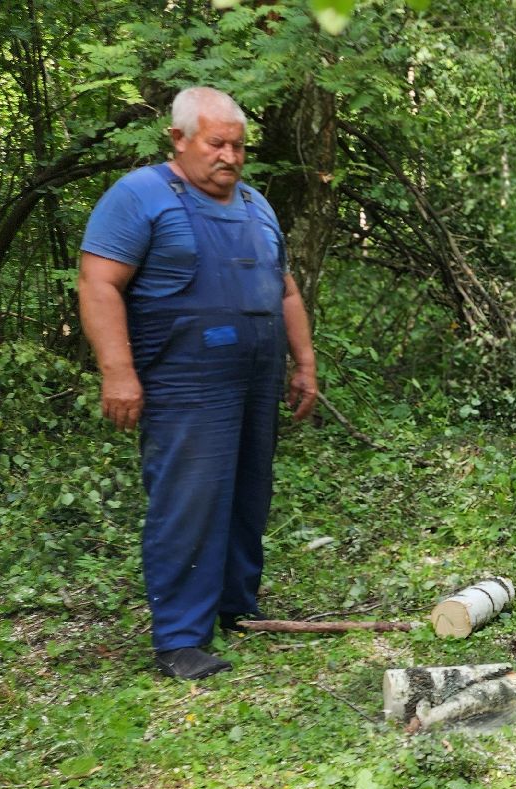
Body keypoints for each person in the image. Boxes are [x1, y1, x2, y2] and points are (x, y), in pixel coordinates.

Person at [78, 86, 318, 680]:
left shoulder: (258, 206)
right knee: (189, 500)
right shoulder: (139, 196)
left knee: (246, 495)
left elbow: (285, 289)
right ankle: (181, 640)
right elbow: (97, 283)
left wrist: (304, 362)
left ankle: (238, 608)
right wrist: (118, 371)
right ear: (179, 139)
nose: (230, 157)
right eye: (217, 144)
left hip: (255, 376)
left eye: (239, 146)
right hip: (184, 377)